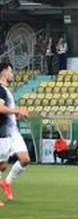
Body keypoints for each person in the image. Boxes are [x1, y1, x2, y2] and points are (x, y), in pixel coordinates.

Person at [0, 63, 32, 202]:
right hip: (3, 132)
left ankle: (7, 182)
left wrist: (14, 115)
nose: (12, 74)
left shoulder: (6, 90)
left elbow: (6, 111)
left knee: (25, 159)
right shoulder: (0, 89)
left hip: (13, 131)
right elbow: (0, 108)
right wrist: (17, 111)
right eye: (11, 71)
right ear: (5, 72)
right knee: (2, 165)